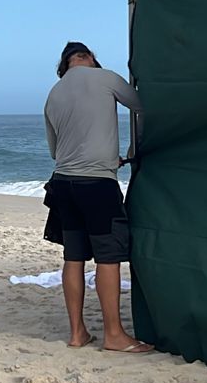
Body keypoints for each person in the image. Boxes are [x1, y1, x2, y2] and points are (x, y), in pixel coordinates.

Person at [43, 41, 150, 353]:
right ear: (90, 59)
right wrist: (131, 150)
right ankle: (114, 335)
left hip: (63, 183)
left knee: (73, 257)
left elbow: (55, 151)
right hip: (97, 184)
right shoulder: (104, 77)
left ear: (64, 66)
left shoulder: (54, 93)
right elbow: (141, 106)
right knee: (108, 257)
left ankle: (77, 333)